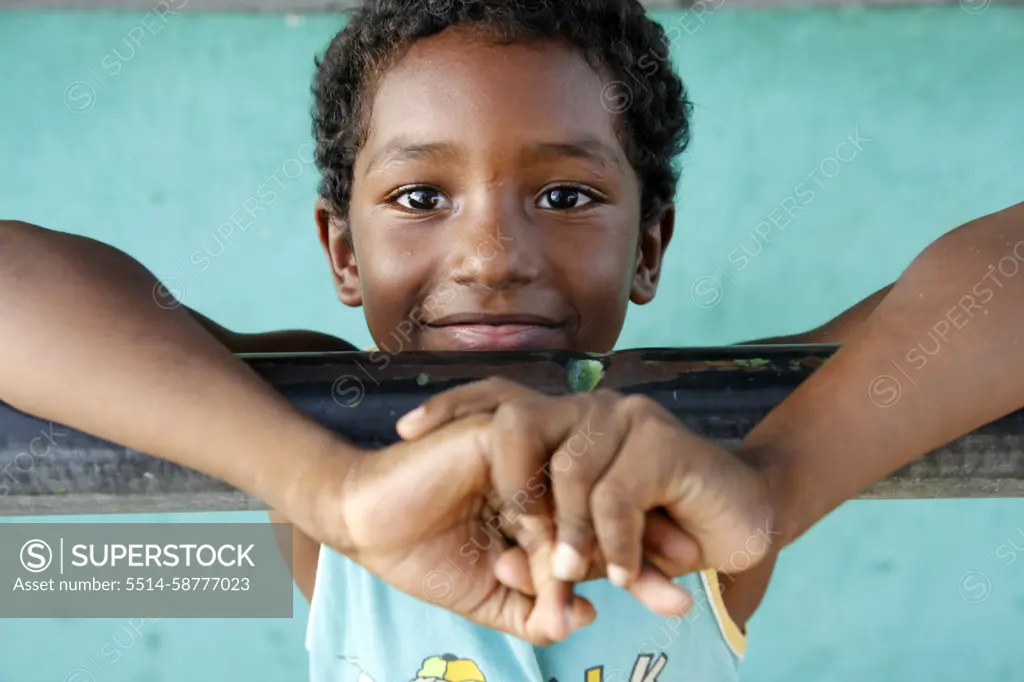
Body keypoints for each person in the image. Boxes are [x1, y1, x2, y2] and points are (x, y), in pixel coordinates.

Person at [0, 0, 1021, 680]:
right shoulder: (316, 424)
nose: (490, 253)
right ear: (342, 250)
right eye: (419, 195)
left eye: (566, 194)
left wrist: (772, 479)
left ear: (648, 245)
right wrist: (328, 489)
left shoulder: (707, 452)